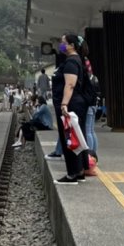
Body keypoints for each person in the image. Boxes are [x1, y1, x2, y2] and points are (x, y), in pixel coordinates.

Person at [51, 34, 91, 184]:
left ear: (71, 45)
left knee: (69, 138)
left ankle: (72, 173)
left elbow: (70, 84)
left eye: (63, 43)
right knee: (77, 137)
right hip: (76, 104)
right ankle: (79, 171)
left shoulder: (71, 62)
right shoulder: (76, 60)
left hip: (71, 104)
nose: (61, 45)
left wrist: (64, 104)